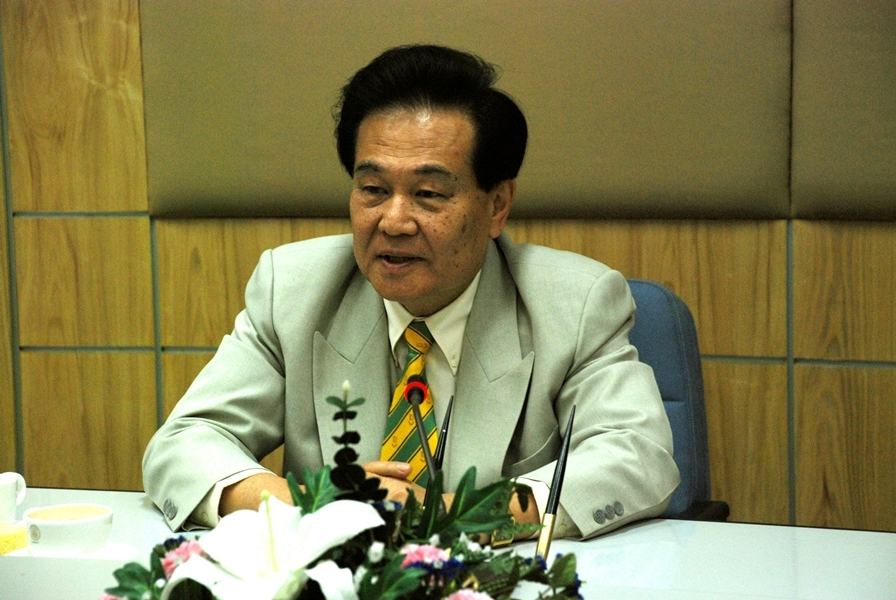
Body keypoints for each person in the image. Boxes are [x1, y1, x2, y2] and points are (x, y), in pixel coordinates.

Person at [143, 44, 680, 539]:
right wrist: (306, 503)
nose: (394, 221)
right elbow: (186, 441)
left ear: (496, 205)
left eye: (428, 194)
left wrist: (455, 513)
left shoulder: (575, 304)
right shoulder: (294, 290)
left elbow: (637, 457)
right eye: (373, 189)